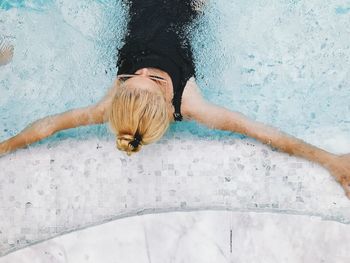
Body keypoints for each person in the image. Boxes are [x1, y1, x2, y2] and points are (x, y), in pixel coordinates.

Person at [0, 0, 349, 198]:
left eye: (133, 78)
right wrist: (330, 160)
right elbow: (264, 133)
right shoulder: (190, 102)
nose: (138, 73)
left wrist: (5, 147)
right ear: (170, 107)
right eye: (147, 79)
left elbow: (47, 126)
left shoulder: (114, 103)